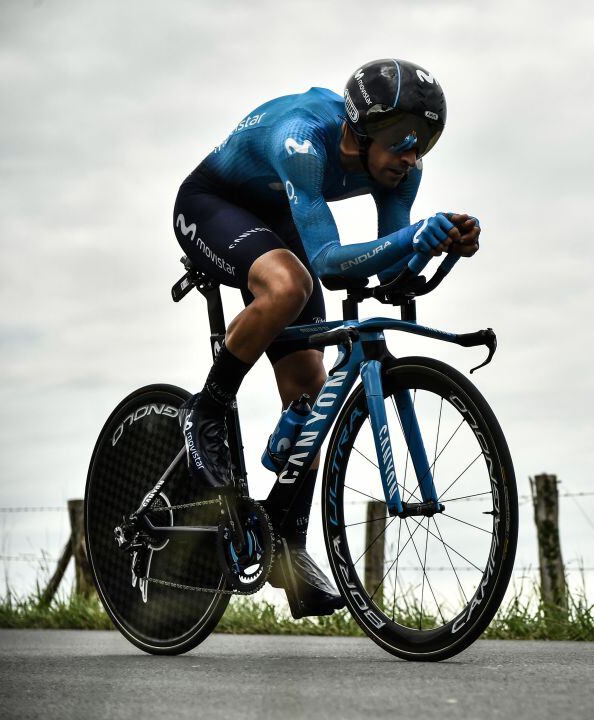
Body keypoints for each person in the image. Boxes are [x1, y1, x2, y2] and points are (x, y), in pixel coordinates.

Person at [171, 59, 480, 617]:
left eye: (423, 145)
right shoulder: (303, 139)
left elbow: (389, 277)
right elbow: (331, 264)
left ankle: (287, 543)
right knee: (290, 284)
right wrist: (413, 236)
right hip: (213, 203)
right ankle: (208, 410)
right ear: (359, 132)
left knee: (310, 394)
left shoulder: (400, 173)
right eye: (401, 142)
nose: (412, 157)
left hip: (282, 216)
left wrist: (431, 245)